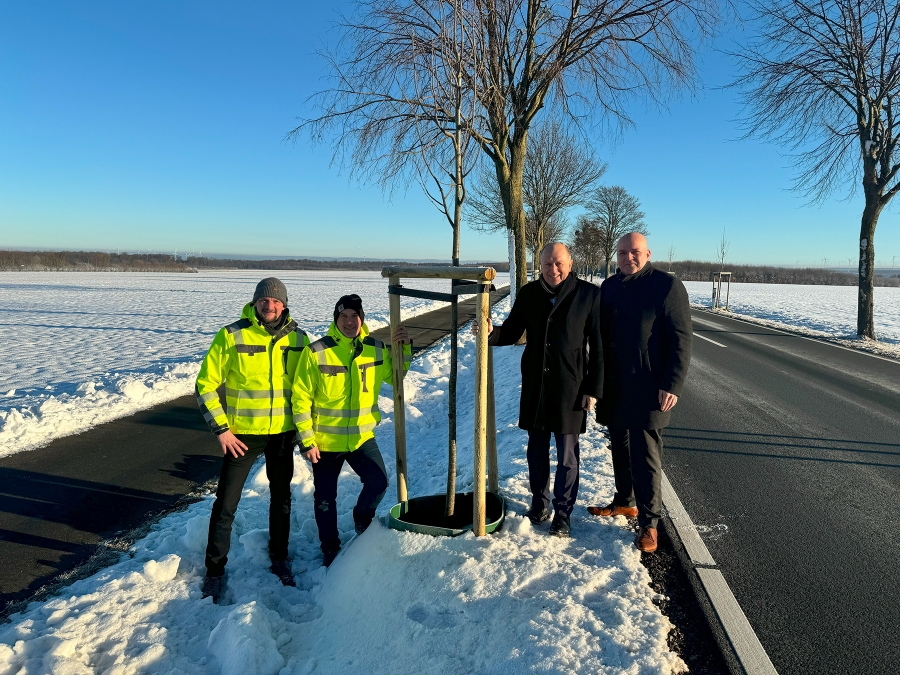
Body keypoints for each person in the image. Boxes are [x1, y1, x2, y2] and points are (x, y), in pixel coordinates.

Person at [475, 242, 602, 537]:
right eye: (546, 264)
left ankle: (563, 513)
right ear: (539, 266)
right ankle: (539, 504)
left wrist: (593, 389)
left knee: (567, 456)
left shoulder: (589, 295)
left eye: (558, 263)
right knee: (536, 450)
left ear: (570, 264)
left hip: (571, 387)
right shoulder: (529, 293)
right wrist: (491, 332)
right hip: (536, 384)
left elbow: (598, 348)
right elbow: (512, 330)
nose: (552, 269)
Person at [195, 277, 310, 603]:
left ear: (284, 304)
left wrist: (307, 435)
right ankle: (214, 570)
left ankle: (279, 557)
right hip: (242, 437)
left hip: (282, 436)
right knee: (226, 504)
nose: (269, 305)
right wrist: (222, 429)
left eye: (275, 301)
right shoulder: (232, 335)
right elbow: (205, 385)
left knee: (282, 500)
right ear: (255, 302)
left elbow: (309, 389)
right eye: (263, 300)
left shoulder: (300, 340)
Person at [588, 232, 692, 553]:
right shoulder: (609, 286)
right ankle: (625, 502)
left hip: (650, 387)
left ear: (647, 254)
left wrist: (671, 384)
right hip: (615, 384)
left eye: (634, 252)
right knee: (619, 445)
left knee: (645, 453)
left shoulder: (667, 287)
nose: (627, 258)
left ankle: (650, 524)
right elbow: (597, 333)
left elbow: (681, 339)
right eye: (622, 253)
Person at [292, 294, 411, 567]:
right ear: (336, 320)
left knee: (379, 482)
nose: (349, 321)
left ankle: (362, 518)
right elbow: (300, 398)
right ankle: (330, 549)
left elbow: (396, 376)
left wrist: (403, 348)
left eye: (354, 316)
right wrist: (307, 440)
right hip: (325, 441)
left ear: (362, 319)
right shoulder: (317, 351)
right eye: (343, 316)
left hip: (361, 438)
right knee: (325, 499)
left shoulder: (376, 349)